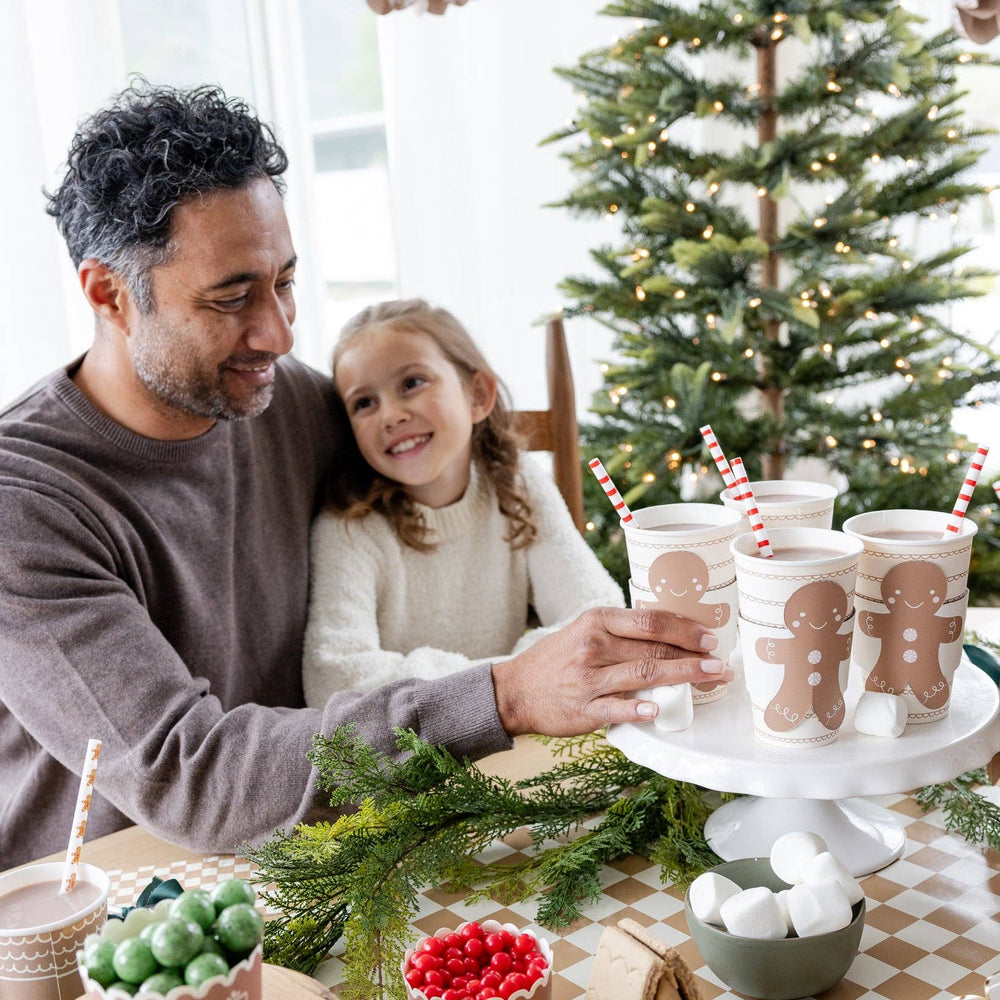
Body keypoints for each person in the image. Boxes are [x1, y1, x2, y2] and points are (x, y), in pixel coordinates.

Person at [0, 82, 729, 870]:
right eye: (233, 296)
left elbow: (467, 481)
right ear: (109, 294)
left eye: (284, 282)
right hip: (95, 906)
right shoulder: (25, 505)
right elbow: (191, 774)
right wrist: (505, 692)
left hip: (318, 850)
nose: (277, 333)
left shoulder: (286, 402)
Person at [302, 299, 626, 705]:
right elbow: (333, 679)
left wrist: (503, 688)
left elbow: (598, 611)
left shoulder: (518, 483)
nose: (391, 415)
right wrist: (510, 682)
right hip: (410, 755)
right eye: (364, 403)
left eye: (411, 383)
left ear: (478, 395)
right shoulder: (349, 528)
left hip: (518, 734)